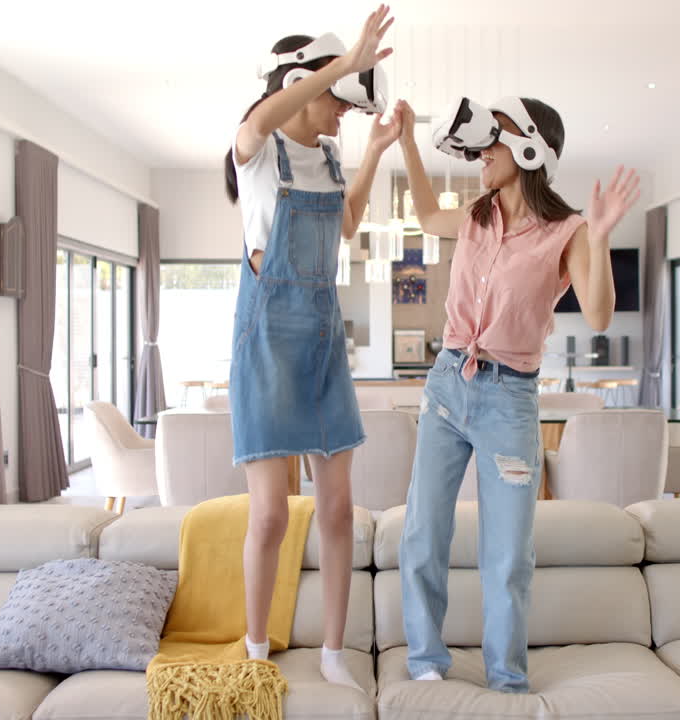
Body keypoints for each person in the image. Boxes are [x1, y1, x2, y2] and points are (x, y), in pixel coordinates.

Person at [393, 96, 641, 693]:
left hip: (509, 401)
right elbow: (427, 217)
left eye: (493, 140)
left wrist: (602, 235)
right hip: (448, 385)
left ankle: (506, 681)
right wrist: (405, 140)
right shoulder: (477, 213)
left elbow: (602, 314)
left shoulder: (568, 230)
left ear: (529, 147)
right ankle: (426, 663)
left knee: (507, 556)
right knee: (424, 533)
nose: (481, 152)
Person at [224, 5, 399, 689]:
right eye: (337, 97)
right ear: (304, 81)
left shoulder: (328, 156)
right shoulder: (257, 147)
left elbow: (349, 223)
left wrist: (377, 152)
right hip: (268, 340)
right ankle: (257, 646)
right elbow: (264, 116)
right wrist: (343, 61)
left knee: (335, 509)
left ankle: (331, 650)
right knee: (268, 514)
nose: (343, 112)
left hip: (325, 342)